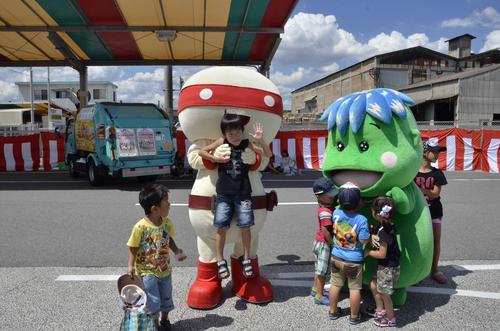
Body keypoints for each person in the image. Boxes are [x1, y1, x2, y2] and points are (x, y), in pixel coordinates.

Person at [198, 114, 268, 280]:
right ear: (225, 134)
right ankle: (220, 260)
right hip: (223, 193)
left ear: (242, 131)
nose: (234, 136)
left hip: (244, 193)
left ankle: (246, 259)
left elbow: (268, 153)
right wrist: (214, 158)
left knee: (246, 226)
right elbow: (201, 151)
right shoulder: (222, 142)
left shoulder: (247, 143)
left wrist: (260, 140)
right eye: (230, 134)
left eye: (237, 132)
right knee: (221, 227)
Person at [127, 183, 186, 331]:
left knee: (166, 297)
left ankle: (165, 320)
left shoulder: (167, 223)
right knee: (152, 300)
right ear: (155, 209)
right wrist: (130, 266)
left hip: (165, 269)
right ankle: (155, 325)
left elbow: (169, 239)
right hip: (147, 272)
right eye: (166, 201)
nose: (170, 204)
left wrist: (177, 251)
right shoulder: (140, 227)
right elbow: (133, 246)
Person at [328, 182, 370, 325]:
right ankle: (353, 316)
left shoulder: (336, 213)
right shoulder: (362, 220)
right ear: (359, 202)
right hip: (354, 260)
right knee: (354, 288)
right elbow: (364, 240)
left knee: (335, 285)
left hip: (336, 256)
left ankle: (333, 312)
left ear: (339, 200)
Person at [414, 140, 448, 284]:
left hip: (434, 211)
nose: (437, 154)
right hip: (417, 213)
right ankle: (416, 272)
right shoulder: (412, 172)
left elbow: (435, 194)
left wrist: (420, 189)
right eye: (434, 151)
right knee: (417, 242)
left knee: (435, 241)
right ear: (424, 152)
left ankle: (434, 270)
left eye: (438, 152)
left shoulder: (437, 173)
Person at [364, 197, 400, 327]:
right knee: (373, 284)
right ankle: (380, 310)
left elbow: (382, 254)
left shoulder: (385, 231)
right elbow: (377, 233)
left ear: (377, 213)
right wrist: (371, 233)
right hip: (385, 267)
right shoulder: (385, 225)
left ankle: (390, 319)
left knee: (385, 295)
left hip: (387, 268)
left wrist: (368, 252)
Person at [311, 177, 339, 305]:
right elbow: (326, 230)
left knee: (318, 269)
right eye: (329, 195)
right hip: (324, 244)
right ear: (319, 196)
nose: (332, 197)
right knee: (322, 271)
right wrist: (332, 244)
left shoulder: (324, 206)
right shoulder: (325, 212)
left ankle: (315, 289)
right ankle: (319, 296)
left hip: (319, 242)